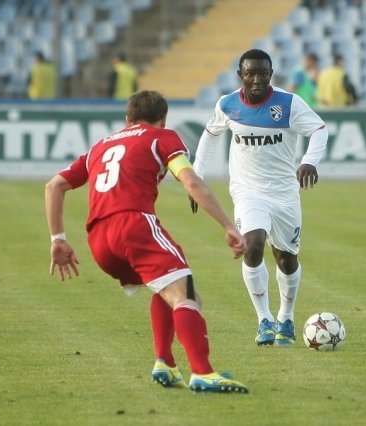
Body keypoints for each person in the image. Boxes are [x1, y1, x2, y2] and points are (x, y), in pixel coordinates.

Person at [45, 90, 248, 394]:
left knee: (166, 286)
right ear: (163, 119)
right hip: (133, 225)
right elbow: (191, 182)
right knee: (187, 297)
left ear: (127, 118)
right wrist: (228, 225)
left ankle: (165, 363)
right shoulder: (162, 137)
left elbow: (54, 186)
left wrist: (58, 239)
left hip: (98, 239)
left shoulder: (100, 146)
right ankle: (203, 372)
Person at [190, 49, 329, 347]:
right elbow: (210, 136)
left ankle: (286, 318)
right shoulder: (227, 104)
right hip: (247, 190)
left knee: (286, 259)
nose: (256, 79)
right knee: (252, 246)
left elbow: (319, 130)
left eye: (263, 73)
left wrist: (309, 161)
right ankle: (264, 319)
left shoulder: (289, 103)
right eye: (250, 73)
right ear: (240, 75)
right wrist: (196, 177)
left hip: (284, 192)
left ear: (271, 74)